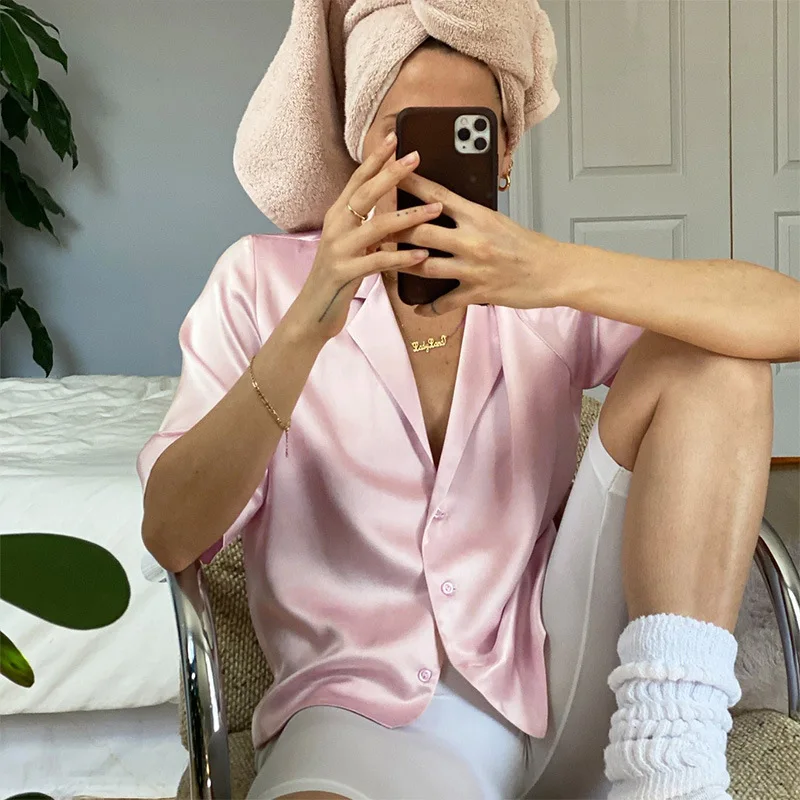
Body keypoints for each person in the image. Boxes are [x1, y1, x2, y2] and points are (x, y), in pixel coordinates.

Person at [138, 2, 797, 798]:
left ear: (505, 151)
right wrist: (306, 328)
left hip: (559, 685)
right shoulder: (259, 283)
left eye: (467, 133)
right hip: (358, 719)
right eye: (403, 134)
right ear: (359, 143)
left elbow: (784, 319)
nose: (429, 167)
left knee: (718, 356)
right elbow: (172, 535)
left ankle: (673, 768)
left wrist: (554, 272)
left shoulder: (540, 285)